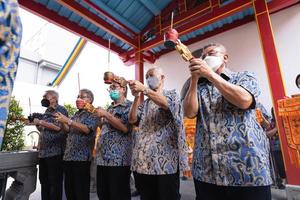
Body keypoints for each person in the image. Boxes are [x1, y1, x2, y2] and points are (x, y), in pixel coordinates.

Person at [182, 43, 272, 200]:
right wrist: (194, 80)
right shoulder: (200, 88)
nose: (205, 58)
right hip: (206, 172)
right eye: (203, 56)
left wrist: (210, 75)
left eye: (211, 53)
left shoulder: (244, 77)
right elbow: (189, 112)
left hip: (247, 170)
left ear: (225, 57)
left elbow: (244, 101)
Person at [128, 67, 189, 200]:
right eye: (147, 76)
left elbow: (166, 104)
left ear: (162, 78)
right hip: (145, 161)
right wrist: (136, 97)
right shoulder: (145, 103)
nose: (149, 78)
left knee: (167, 195)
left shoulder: (172, 94)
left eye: (152, 75)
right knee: (147, 196)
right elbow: (132, 120)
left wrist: (144, 89)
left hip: (166, 162)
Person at [54, 89, 98, 200]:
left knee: (80, 191)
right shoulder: (76, 114)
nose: (79, 99)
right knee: (70, 190)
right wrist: (62, 121)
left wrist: (68, 121)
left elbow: (87, 129)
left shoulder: (93, 113)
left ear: (90, 100)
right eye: (78, 96)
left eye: (83, 97)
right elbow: (68, 129)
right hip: (69, 157)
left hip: (82, 158)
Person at [95, 77, 133, 200]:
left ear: (123, 89)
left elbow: (125, 128)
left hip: (119, 160)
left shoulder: (129, 106)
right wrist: (99, 118)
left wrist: (106, 114)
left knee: (118, 194)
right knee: (103, 193)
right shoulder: (110, 108)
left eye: (114, 87)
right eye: (110, 88)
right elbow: (104, 127)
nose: (111, 90)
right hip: (102, 158)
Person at [32, 90, 68, 200]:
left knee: (55, 183)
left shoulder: (60, 110)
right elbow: (42, 129)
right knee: (44, 181)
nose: (43, 98)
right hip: (43, 153)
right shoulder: (46, 111)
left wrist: (41, 122)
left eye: (45, 96)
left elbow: (58, 127)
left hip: (55, 153)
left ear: (54, 99)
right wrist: (36, 123)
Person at [266, 108, 286, 189]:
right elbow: (267, 134)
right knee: (280, 165)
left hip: (287, 147)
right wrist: (276, 128)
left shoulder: (285, 118)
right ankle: (283, 181)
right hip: (276, 147)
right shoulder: (270, 123)